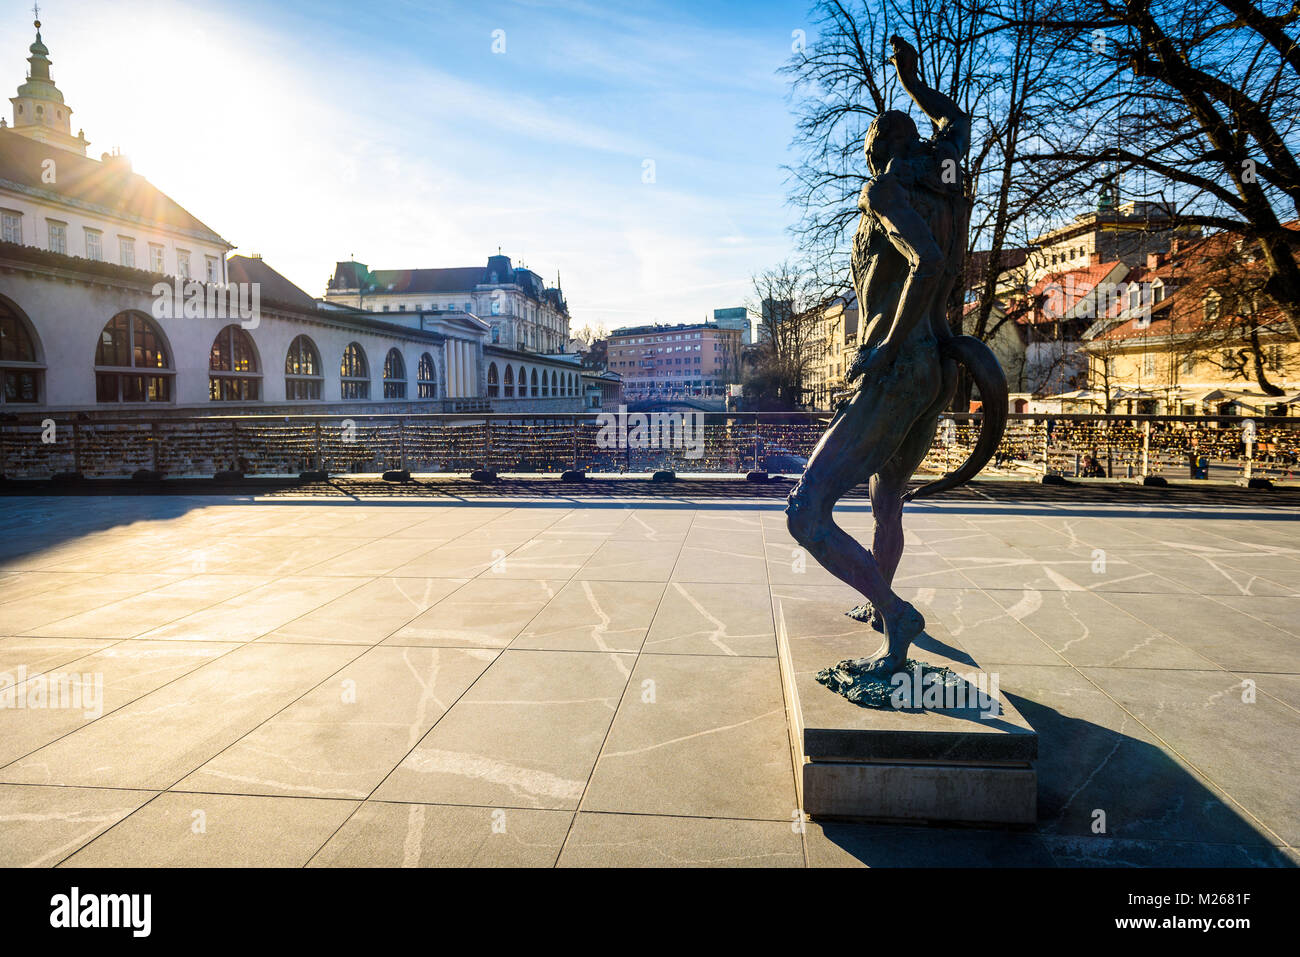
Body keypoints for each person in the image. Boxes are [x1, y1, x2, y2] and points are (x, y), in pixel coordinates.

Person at [786, 35, 1006, 676]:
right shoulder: (943, 175)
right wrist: (911, 78)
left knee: (806, 512)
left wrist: (882, 344)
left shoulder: (885, 193)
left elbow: (927, 263)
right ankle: (884, 614)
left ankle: (895, 612)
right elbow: (958, 122)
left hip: (900, 368)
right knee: (889, 499)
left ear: (875, 153)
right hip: (939, 366)